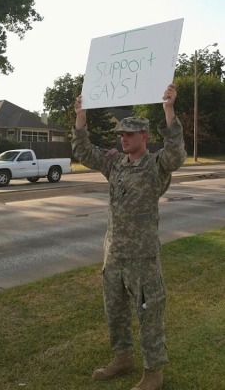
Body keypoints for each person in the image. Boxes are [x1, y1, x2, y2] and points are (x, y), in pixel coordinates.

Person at [72, 84, 187, 390]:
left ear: (144, 137)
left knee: (149, 312)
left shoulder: (155, 165)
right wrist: (81, 118)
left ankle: (153, 372)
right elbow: (84, 152)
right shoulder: (115, 164)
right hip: (115, 255)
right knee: (116, 311)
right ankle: (122, 357)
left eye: (129, 135)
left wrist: (168, 110)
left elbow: (176, 155)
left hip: (143, 258)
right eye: (120, 135)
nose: (122, 139)